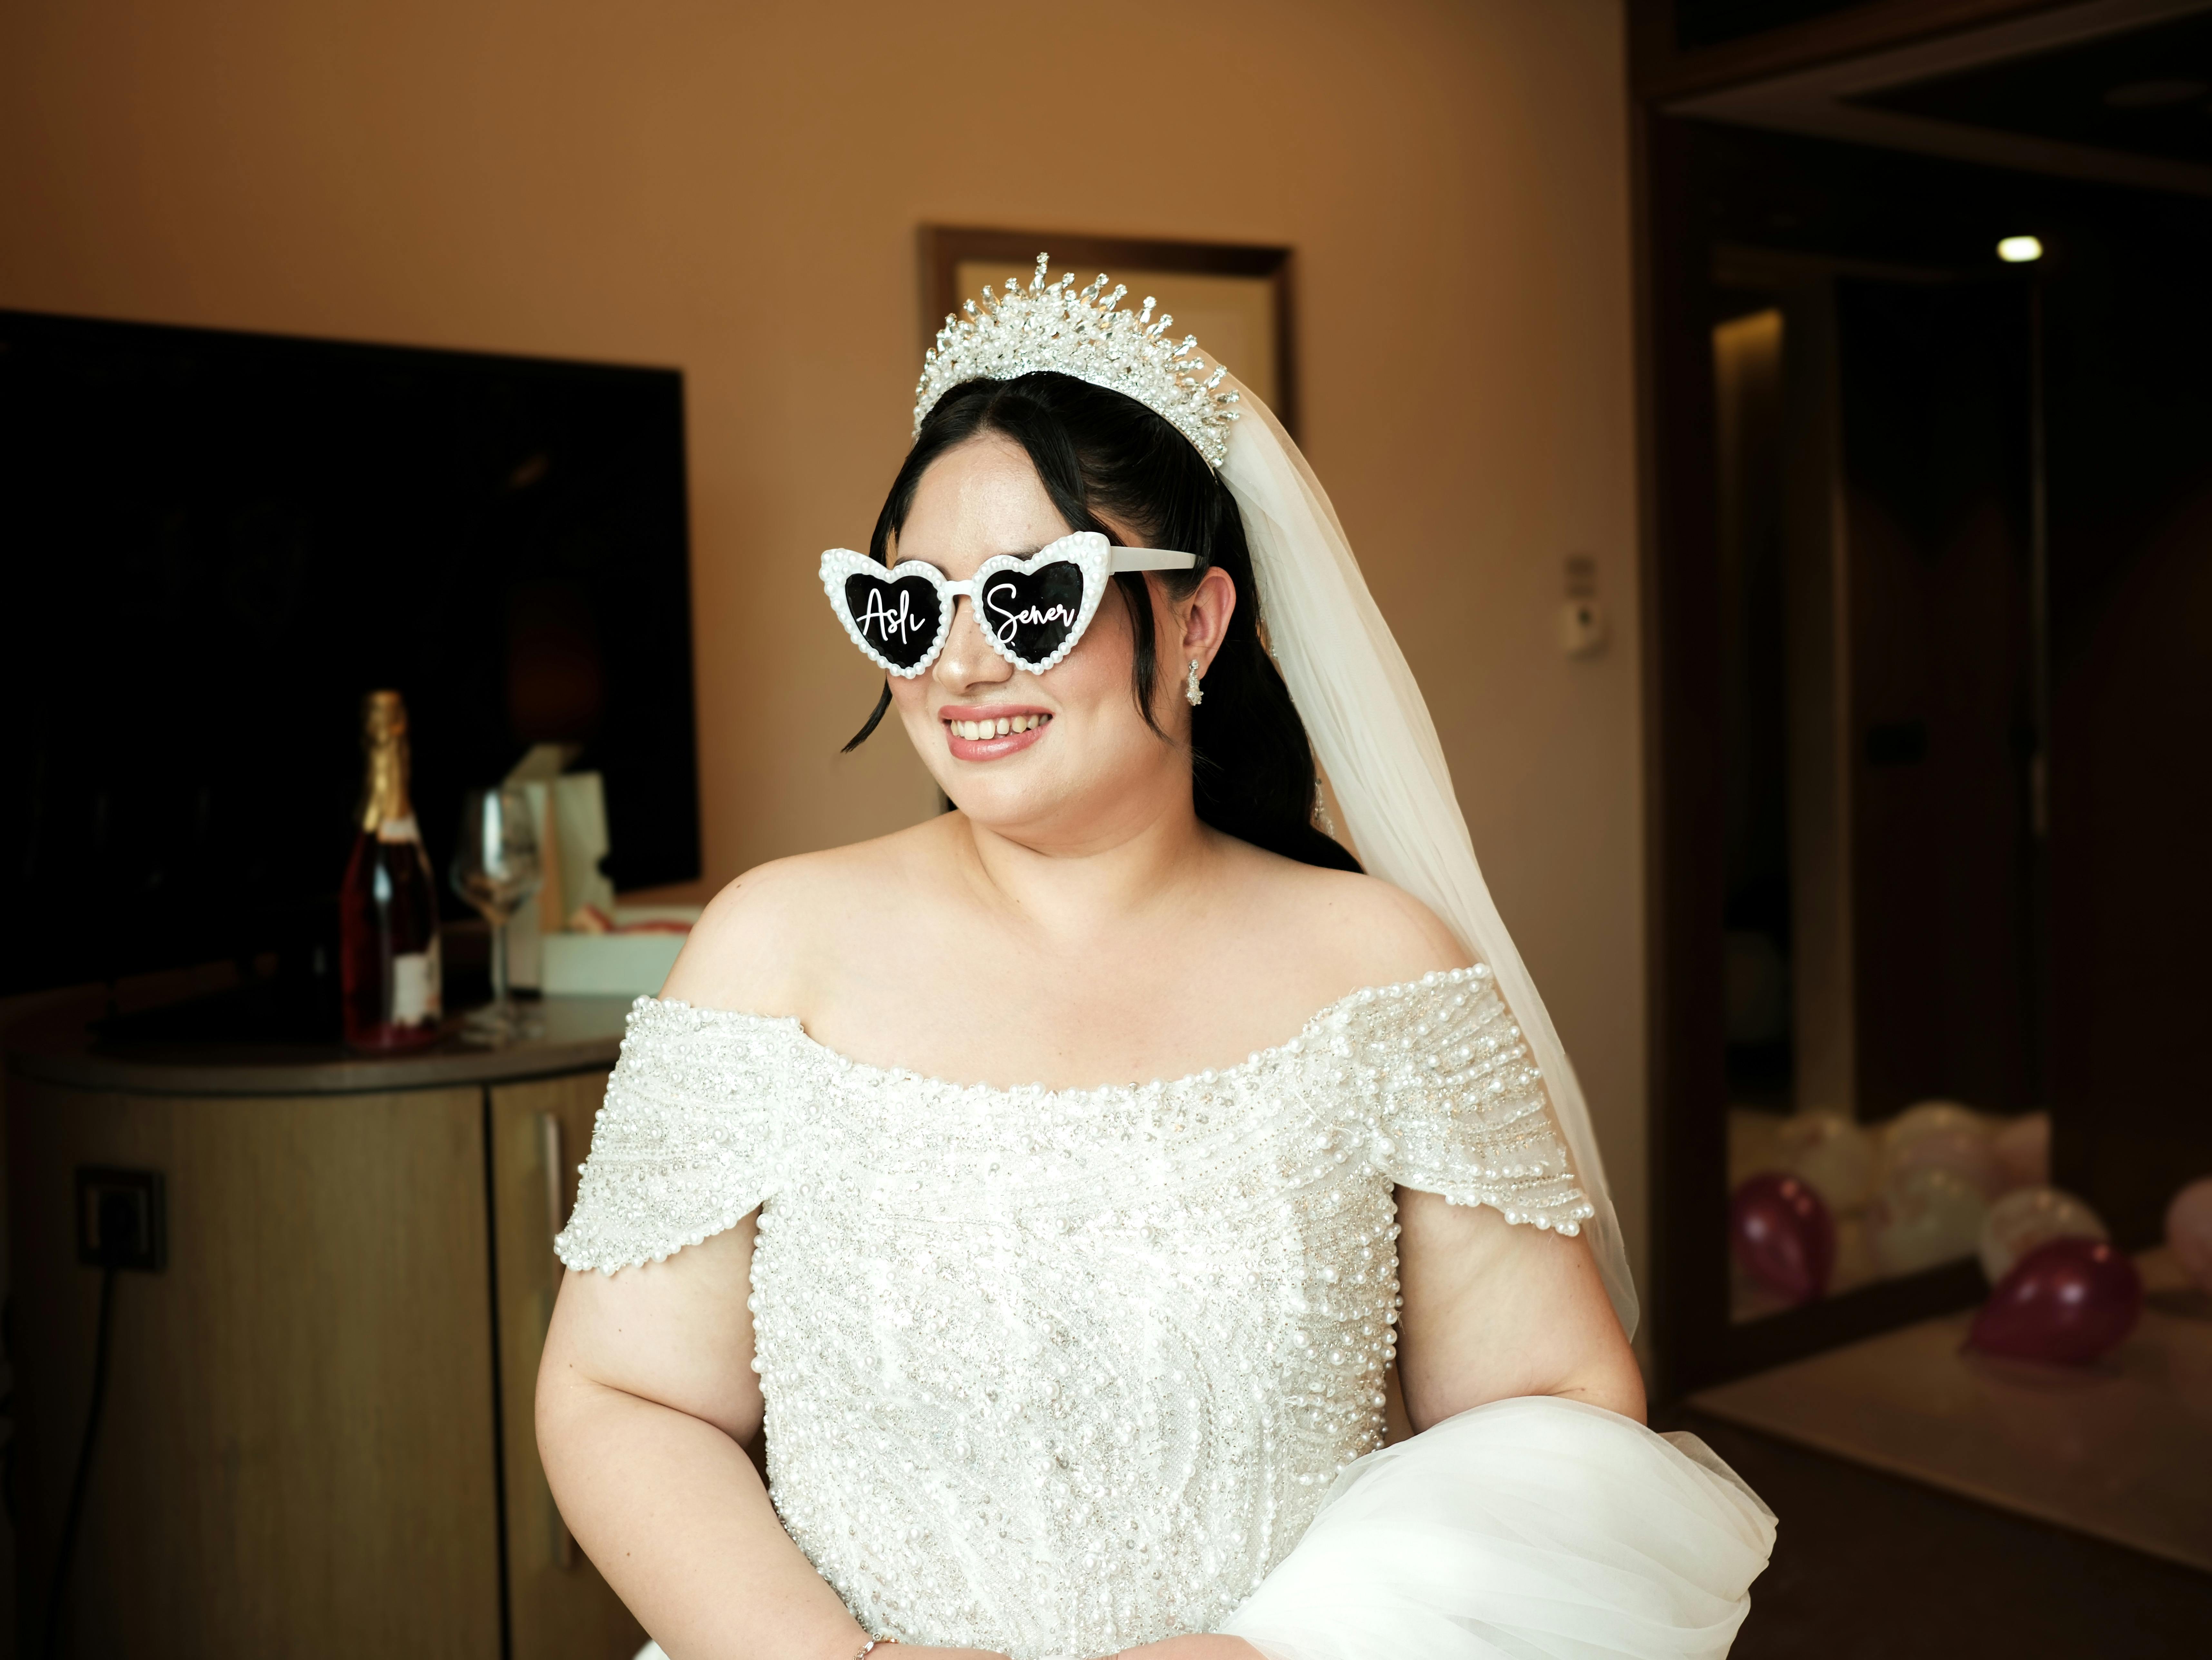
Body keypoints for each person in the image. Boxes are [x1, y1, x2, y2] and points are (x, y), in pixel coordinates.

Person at [538, 259, 1774, 1660]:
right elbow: (622, 1393)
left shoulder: (1378, 973)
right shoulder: (775, 950)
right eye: (910, 604)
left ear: (1196, 622)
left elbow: (1553, 1404)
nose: (960, 666)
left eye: (1030, 599)